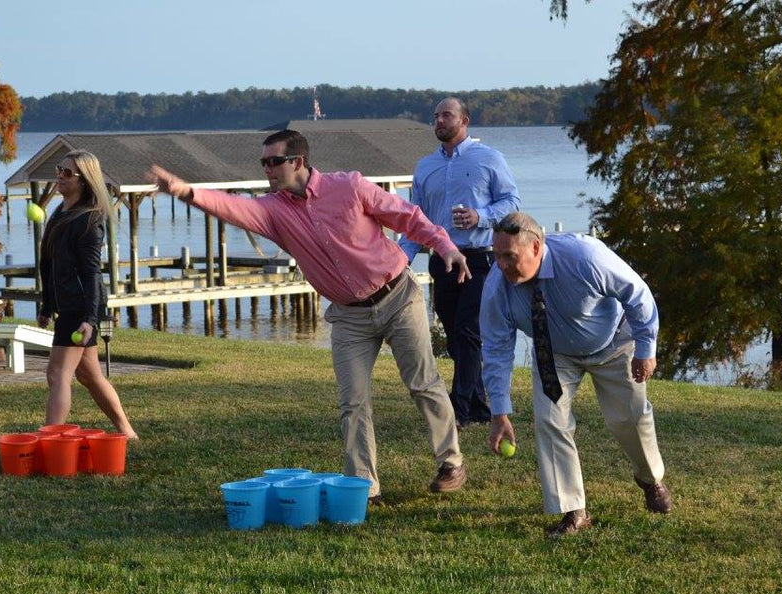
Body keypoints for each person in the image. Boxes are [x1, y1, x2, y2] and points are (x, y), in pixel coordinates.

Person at [148, 130, 469, 503]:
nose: (267, 169)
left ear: (297, 162)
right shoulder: (273, 210)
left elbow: (407, 217)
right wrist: (187, 191)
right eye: (263, 163)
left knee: (422, 382)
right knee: (353, 402)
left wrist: (445, 245)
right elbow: (232, 207)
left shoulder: (349, 186)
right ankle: (364, 487)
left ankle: (451, 462)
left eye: (274, 162)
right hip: (349, 316)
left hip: (397, 295)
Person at [480, 212, 671, 538]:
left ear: (536, 246)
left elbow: (636, 293)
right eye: (495, 256)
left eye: (509, 256)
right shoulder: (498, 286)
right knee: (550, 421)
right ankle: (574, 511)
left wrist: (645, 348)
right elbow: (496, 349)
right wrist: (499, 411)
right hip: (553, 354)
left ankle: (649, 478)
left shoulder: (585, 257)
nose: (501, 265)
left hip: (613, 343)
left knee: (629, 419)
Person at [401, 97, 520, 431]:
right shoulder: (425, 167)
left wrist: (480, 216)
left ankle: (460, 410)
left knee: (469, 331)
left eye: (447, 115)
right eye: (436, 116)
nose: (439, 121)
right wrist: (401, 260)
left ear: (464, 120)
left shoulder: (489, 158)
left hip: (479, 259)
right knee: (455, 336)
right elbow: (416, 219)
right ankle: (482, 406)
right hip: (441, 261)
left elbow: (512, 201)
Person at [37, 150, 137, 440]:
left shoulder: (89, 221)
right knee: (89, 376)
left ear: (83, 181)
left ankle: (50, 439)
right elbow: (48, 263)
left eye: (67, 173)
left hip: (81, 310)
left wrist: (90, 319)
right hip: (68, 307)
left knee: (57, 375)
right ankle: (127, 432)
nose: (60, 175)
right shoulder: (60, 213)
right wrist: (47, 305)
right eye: (59, 169)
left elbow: (93, 273)